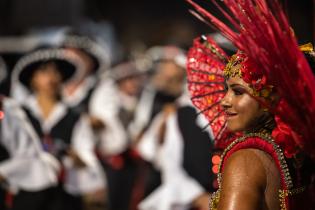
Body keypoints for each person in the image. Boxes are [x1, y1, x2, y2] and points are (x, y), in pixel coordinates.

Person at [185, 0, 315, 209]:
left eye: (238, 92)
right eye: (226, 90)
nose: (224, 101)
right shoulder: (298, 159)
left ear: (271, 97)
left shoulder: (245, 161)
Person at [11, 48, 106, 210]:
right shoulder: (18, 114)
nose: (51, 77)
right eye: (44, 71)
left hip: (62, 197)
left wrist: (78, 159)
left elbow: (87, 157)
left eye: (56, 72)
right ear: (33, 79)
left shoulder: (74, 117)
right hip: (26, 195)